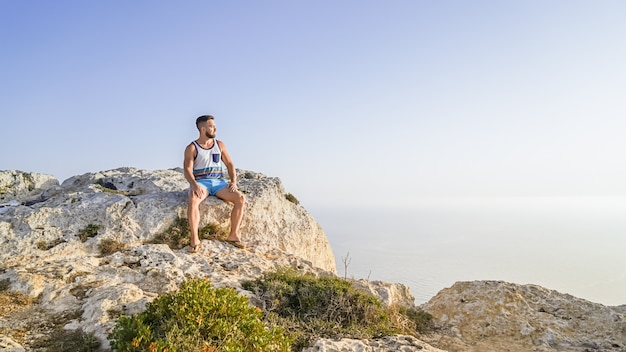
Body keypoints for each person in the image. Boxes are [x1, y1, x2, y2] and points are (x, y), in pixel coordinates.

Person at [183, 115, 246, 253]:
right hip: (201, 183)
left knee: (240, 198)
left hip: (218, 183)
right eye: (211, 126)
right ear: (203, 128)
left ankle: (233, 235)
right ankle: (194, 239)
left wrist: (233, 181)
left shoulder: (220, 145)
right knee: (193, 199)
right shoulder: (192, 148)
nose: (215, 128)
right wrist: (194, 184)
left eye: (215, 125)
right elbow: (187, 169)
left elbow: (229, 164)